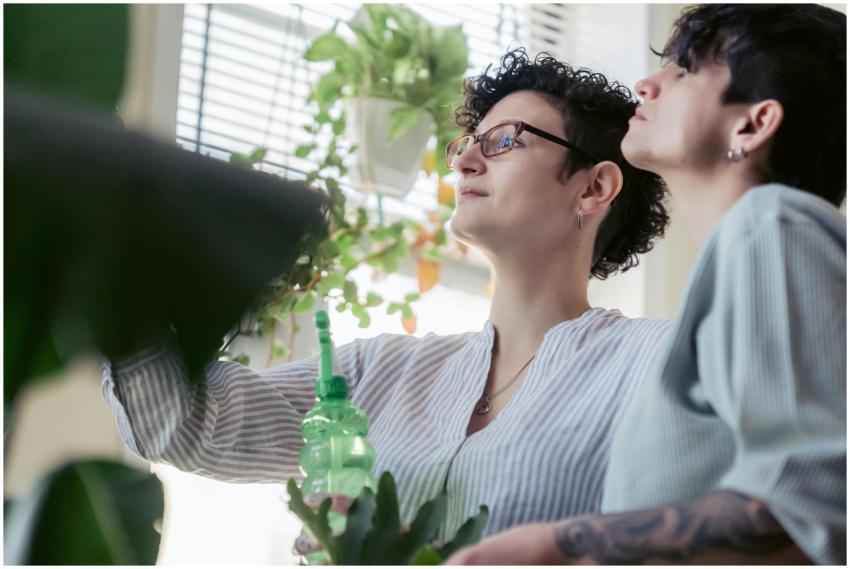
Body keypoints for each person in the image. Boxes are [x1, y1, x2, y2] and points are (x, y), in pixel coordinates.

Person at [102, 49, 671, 544]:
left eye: (503, 142)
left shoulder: (653, 363)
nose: (465, 161)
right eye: (466, 144)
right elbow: (188, 425)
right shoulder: (382, 371)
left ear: (595, 187)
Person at [447, 4, 846, 565]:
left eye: (684, 70)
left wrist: (562, 543)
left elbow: (818, 503)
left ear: (752, 124)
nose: (646, 84)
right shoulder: (739, 266)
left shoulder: (772, 225)